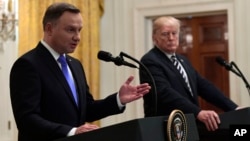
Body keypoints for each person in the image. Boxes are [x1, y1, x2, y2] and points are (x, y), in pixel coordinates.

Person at [9, 2, 151, 141]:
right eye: (70, 30)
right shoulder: (28, 65)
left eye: (79, 30)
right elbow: (27, 120)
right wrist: (72, 131)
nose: (77, 37)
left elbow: (86, 109)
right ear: (49, 29)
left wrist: (118, 99)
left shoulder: (75, 65)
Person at [139, 16, 239, 131]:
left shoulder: (182, 60)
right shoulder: (150, 61)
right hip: (165, 128)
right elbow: (164, 93)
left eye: (174, 33)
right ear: (154, 37)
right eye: (165, 34)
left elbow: (203, 86)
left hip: (187, 125)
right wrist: (198, 112)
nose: (171, 38)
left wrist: (234, 108)